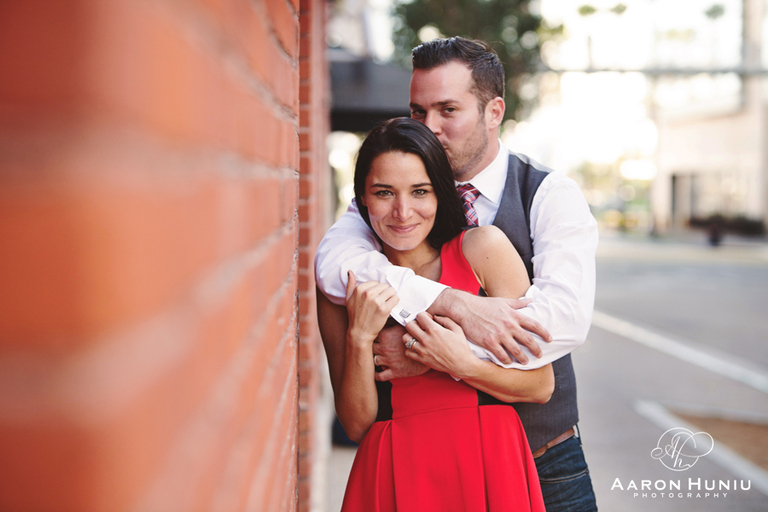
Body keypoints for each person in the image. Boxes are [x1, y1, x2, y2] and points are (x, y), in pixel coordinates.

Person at [315, 37, 599, 511]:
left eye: (448, 109)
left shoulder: (546, 195)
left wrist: (432, 353)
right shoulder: (386, 204)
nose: (431, 127)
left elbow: (559, 324)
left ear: (494, 111)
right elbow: (333, 265)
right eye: (418, 111)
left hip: (540, 459)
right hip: (417, 468)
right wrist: (452, 303)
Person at [317, 117, 551, 511]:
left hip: (489, 460)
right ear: (362, 199)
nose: (403, 211)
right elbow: (357, 424)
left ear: (440, 194)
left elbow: (540, 384)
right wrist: (360, 337)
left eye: (419, 191)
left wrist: (460, 363)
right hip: (396, 469)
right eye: (384, 192)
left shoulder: (482, 250)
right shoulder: (345, 286)